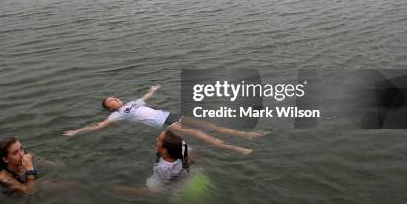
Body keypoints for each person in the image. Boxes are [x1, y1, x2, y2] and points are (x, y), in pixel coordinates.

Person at [63, 85, 262, 155]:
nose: (115, 99)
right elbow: (99, 127)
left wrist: (154, 90)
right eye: (111, 101)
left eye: (114, 97)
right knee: (198, 133)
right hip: (164, 123)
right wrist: (77, 131)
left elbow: (146, 98)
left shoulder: (132, 102)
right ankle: (236, 149)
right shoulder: (116, 115)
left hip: (168, 114)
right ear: (109, 108)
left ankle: (246, 135)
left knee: (208, 125)